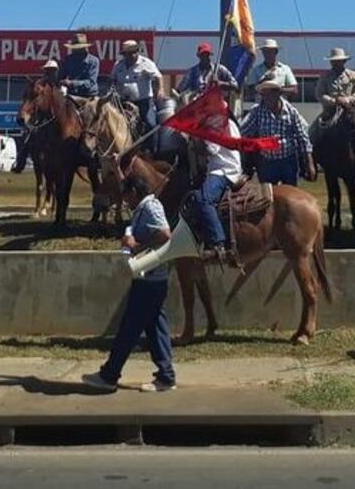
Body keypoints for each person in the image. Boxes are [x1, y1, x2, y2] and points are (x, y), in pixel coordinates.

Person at [82, 176, 176, 393]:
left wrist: (137, 245)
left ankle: (109, 375)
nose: (125, 202)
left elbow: (165, 234)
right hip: (152, 276)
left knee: (129, 328)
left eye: (126, 197)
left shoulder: (150, 207)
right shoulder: (145, 205)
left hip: (150, 278)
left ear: (135, 192)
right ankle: (166, 376)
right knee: (155, 327)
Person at [240, 80, 315, 186]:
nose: (266, 98)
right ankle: (247, 170)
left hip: (288, 161)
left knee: (291, 193)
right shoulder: (257, 111)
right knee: (267, 198)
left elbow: (302, 138)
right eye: (263, 95)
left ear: (278, 94)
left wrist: (309, 164)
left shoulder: (291, 112)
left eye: (269, 94)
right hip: (267, 162)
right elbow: (243, 131)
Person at [193, 113, 243, 262]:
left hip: (224, 171)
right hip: (225, 168)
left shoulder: (216, 124)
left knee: (203, 199)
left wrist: (197, 137)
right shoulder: (226, 122)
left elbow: (210, 150)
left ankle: (218, 244)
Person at [309, 47, 355, 151]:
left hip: (351, 110)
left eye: (338, 61)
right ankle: (311, 156)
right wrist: (333, 101)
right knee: (313, 132)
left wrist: (348, 99)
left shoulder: (353, 75)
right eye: (333, 61)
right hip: (330, 111)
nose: (335, 63)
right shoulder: (325, 77)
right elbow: (319, 94)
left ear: (344, 61)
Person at [110, 40, 163, 131]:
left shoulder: (146, 63)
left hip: (143, 101)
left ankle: (152, 145)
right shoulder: (118, 65)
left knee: (150, 123)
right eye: (129, 53)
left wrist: (160, 89)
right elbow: (112, 79)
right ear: (124, 54)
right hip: (122, 102)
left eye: (134, 52)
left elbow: (158, 76)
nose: (133, 55)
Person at [59, 33, 100, 99]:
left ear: (84, 48)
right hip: (71, 95)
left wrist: (72, 83)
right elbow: (62, 75)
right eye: (74, 48)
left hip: (89, 95)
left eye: (77, 48)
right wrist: (62, 81)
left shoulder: (93, 61)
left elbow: (91, 82)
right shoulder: (68, 59)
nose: (74, 50)